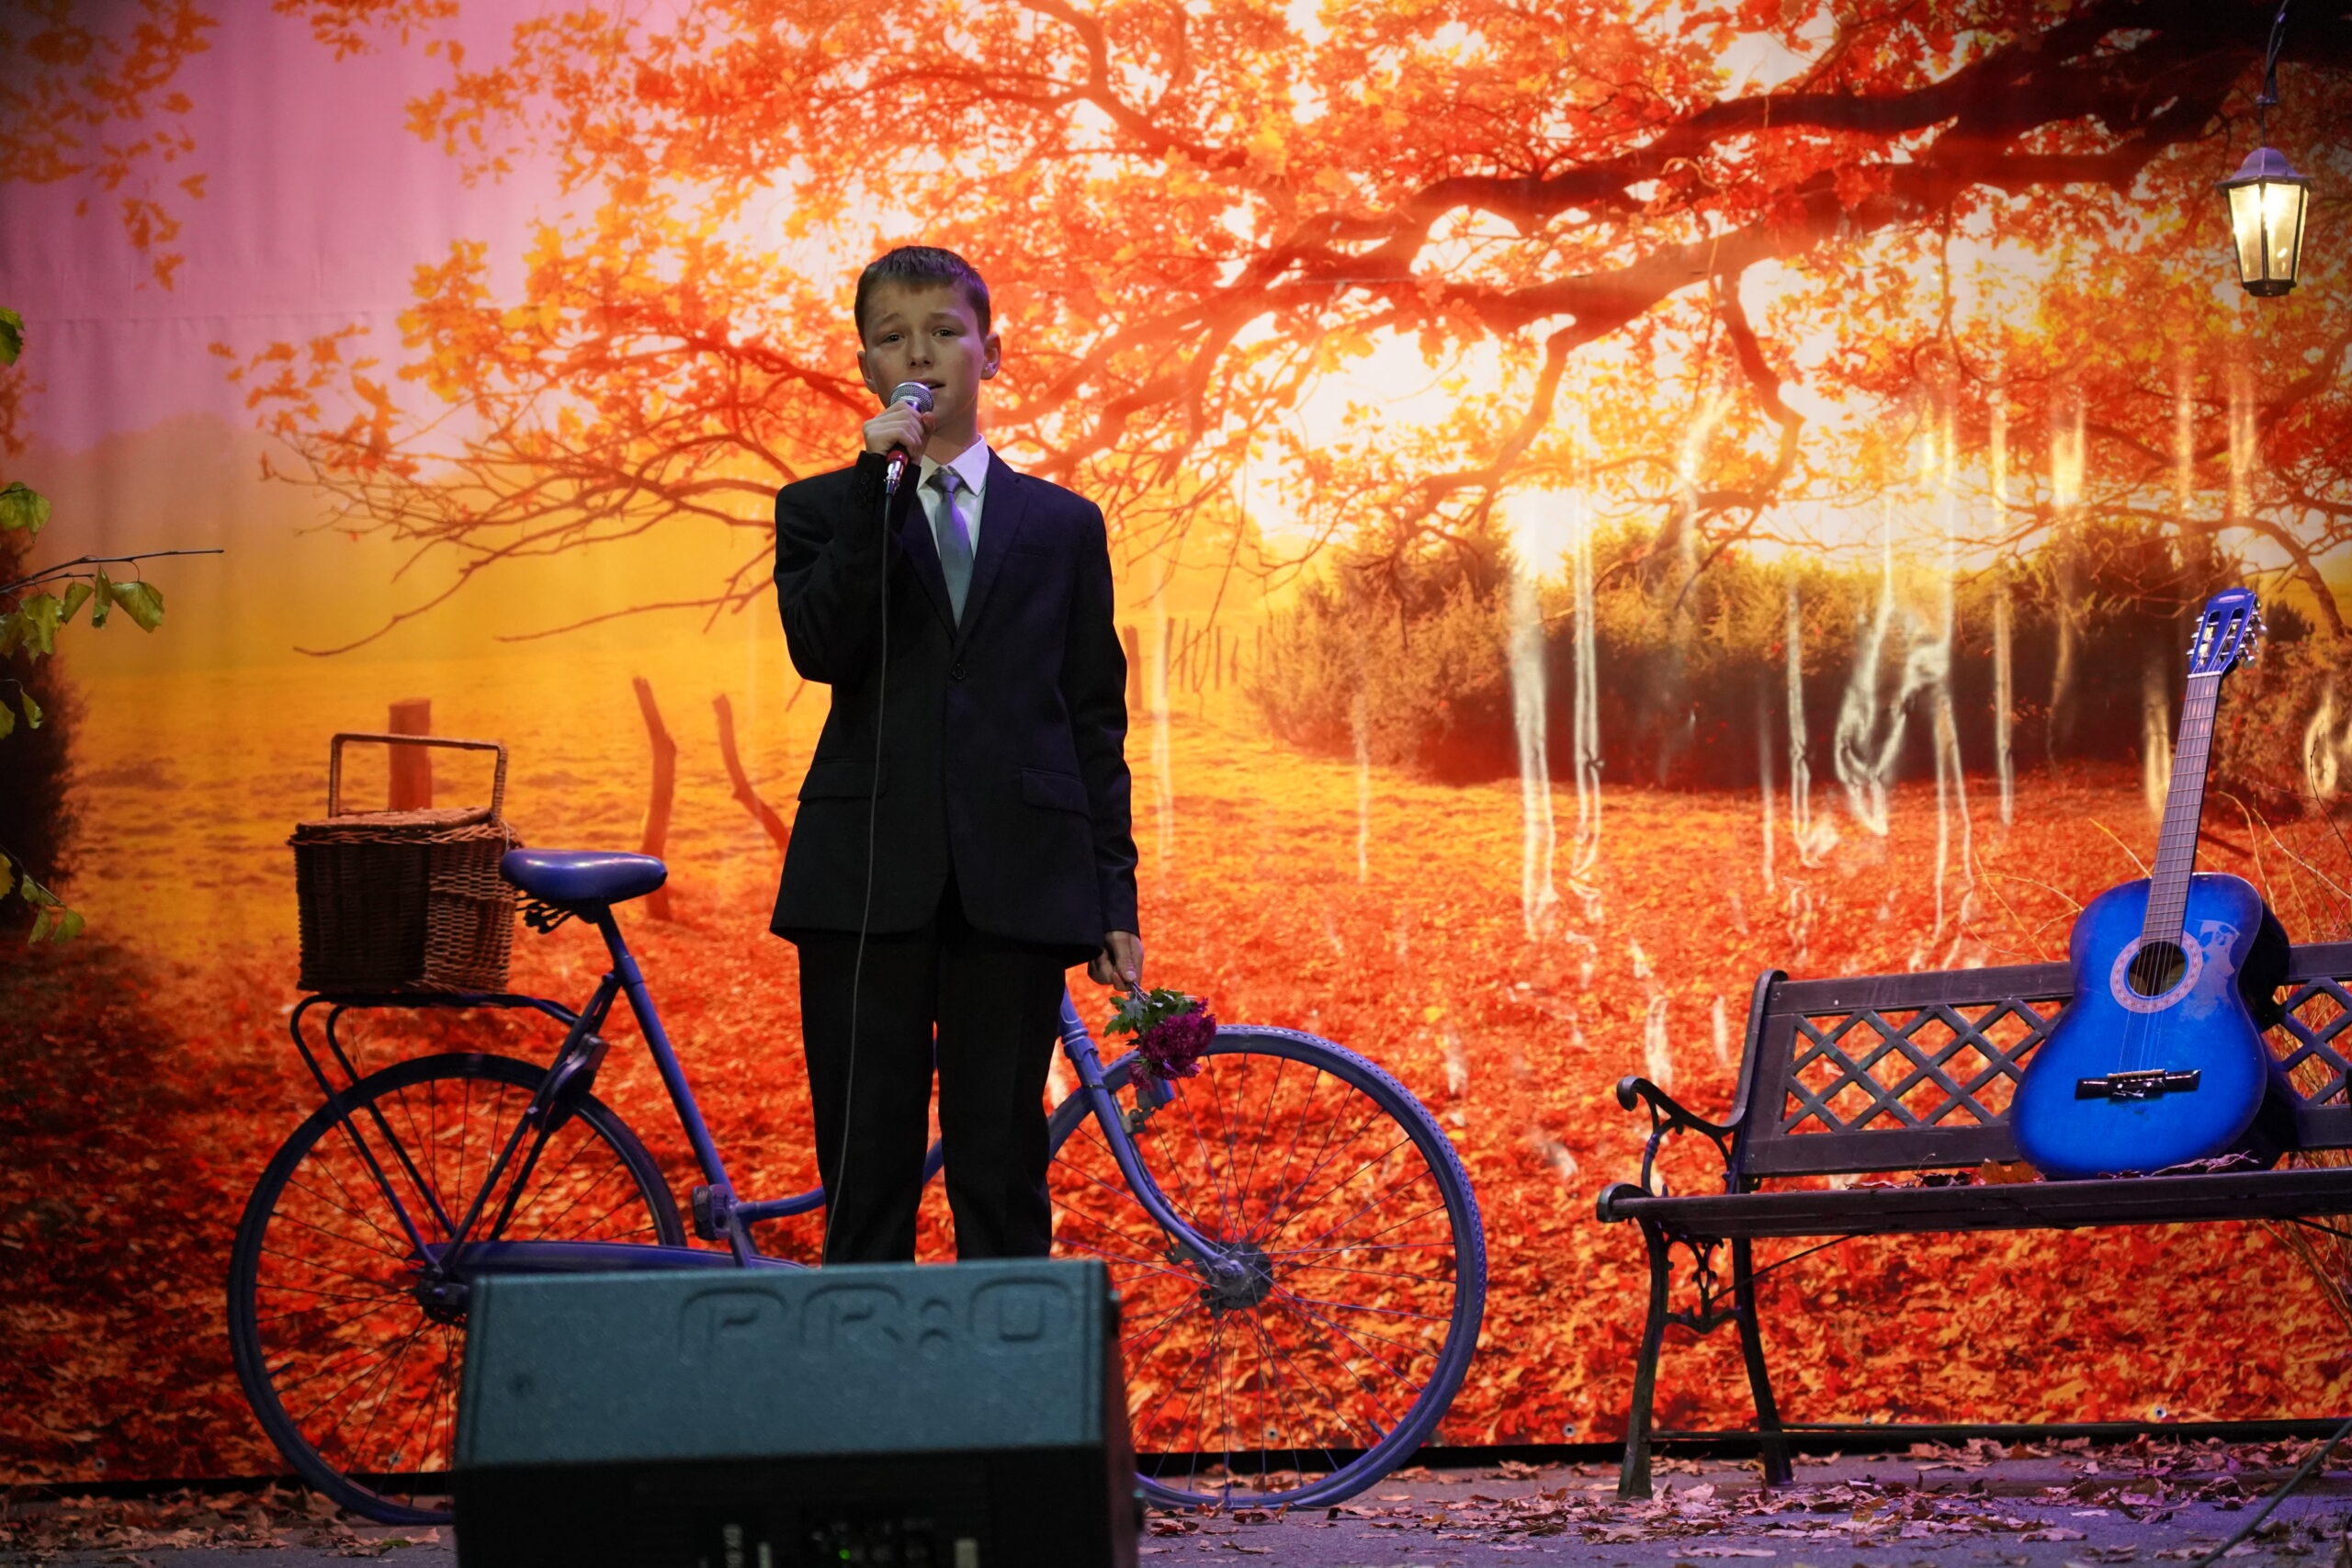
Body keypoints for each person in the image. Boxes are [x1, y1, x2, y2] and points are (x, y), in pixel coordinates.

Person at [770, 245, 1143, 1264]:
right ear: (866, 369)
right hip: (861, 886)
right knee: (865, 1182)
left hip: (1015, 885)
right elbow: (823, 648)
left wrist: (1113, 896)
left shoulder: (1064, 526)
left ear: (991, 351)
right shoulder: (821, 510)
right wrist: (875, 490)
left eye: (943, 330)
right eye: (892, 338)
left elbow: (1092, 719)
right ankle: (865, 1369)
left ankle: (1006, 1370)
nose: (920, 354)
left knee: (1002, 1172)